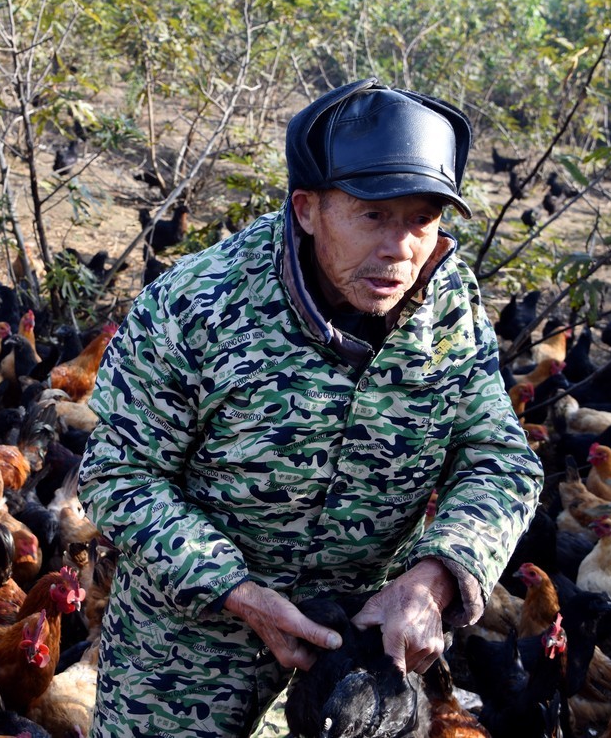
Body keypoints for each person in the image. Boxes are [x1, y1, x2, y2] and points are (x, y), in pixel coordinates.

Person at [78, 78, 543, 737]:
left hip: (362, 680)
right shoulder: (197, 305)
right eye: (373, 215)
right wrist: (238, 592)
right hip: (184, 674)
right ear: (307, 209)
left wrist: (434, 577)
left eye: (422, 218)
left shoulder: (449, 308)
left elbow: (501, 463)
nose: (401, 248)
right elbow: (118, 475)